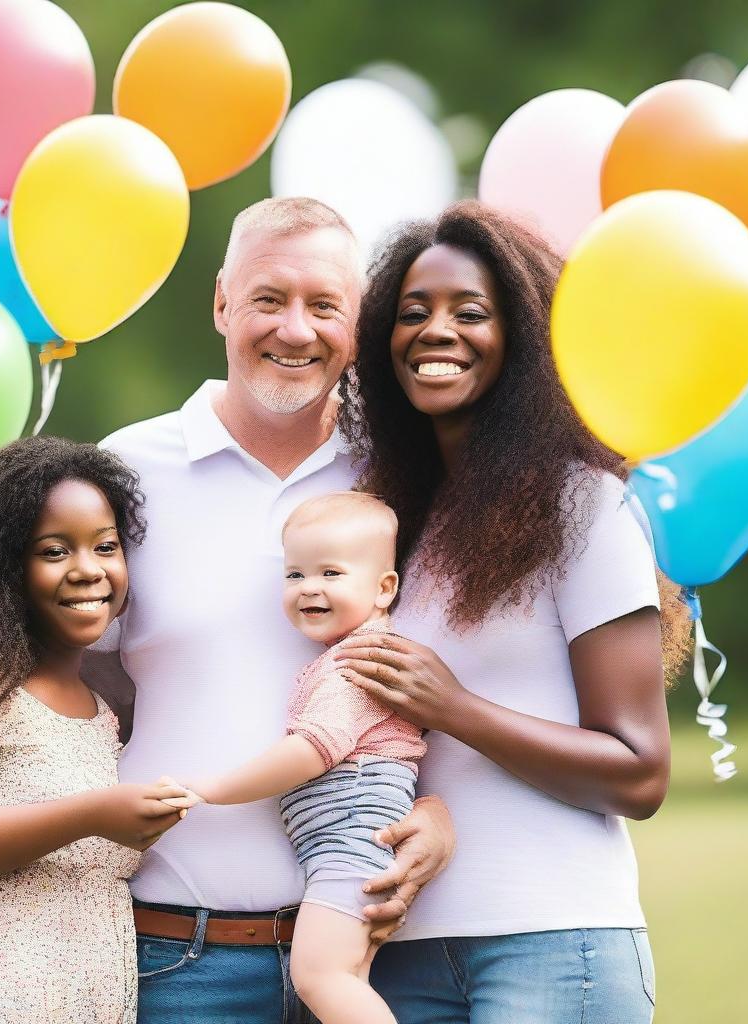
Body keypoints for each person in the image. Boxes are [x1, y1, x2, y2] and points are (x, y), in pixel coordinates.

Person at [86, 197, 455, 1024]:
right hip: (178, 961)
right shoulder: (126, 471)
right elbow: (80, 693)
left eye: (325, 305)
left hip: (381, 961)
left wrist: (439, 811)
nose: (296, 329)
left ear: (357, 325)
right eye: (268, 298)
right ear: (221, 301)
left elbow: (447, 686)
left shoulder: (400, 478)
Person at [331, 200, 693, 1024]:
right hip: (395, 952)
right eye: (412, 313)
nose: (436, 331)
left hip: (554, 945)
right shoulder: (390, 521)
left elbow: (640, 773)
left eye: (471, 312)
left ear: (523, 339)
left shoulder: (584, 508)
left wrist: (453, 707)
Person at [0, 437, 194, 1024]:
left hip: (73, 995)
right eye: (54, 551)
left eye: (106, 546)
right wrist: (95, 815)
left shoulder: (102, 707)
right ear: (3, 570)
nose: (89, 570)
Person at [166, 491, 426, 1024]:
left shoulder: (359, 664)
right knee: (346, 984)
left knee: (318, 977)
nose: (310, 587)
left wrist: (215, 789)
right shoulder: (350, 656)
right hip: (344, 850)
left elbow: (310, 751)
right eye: (295, 575)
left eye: (331, 573)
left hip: (351, 847)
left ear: (384, 589)